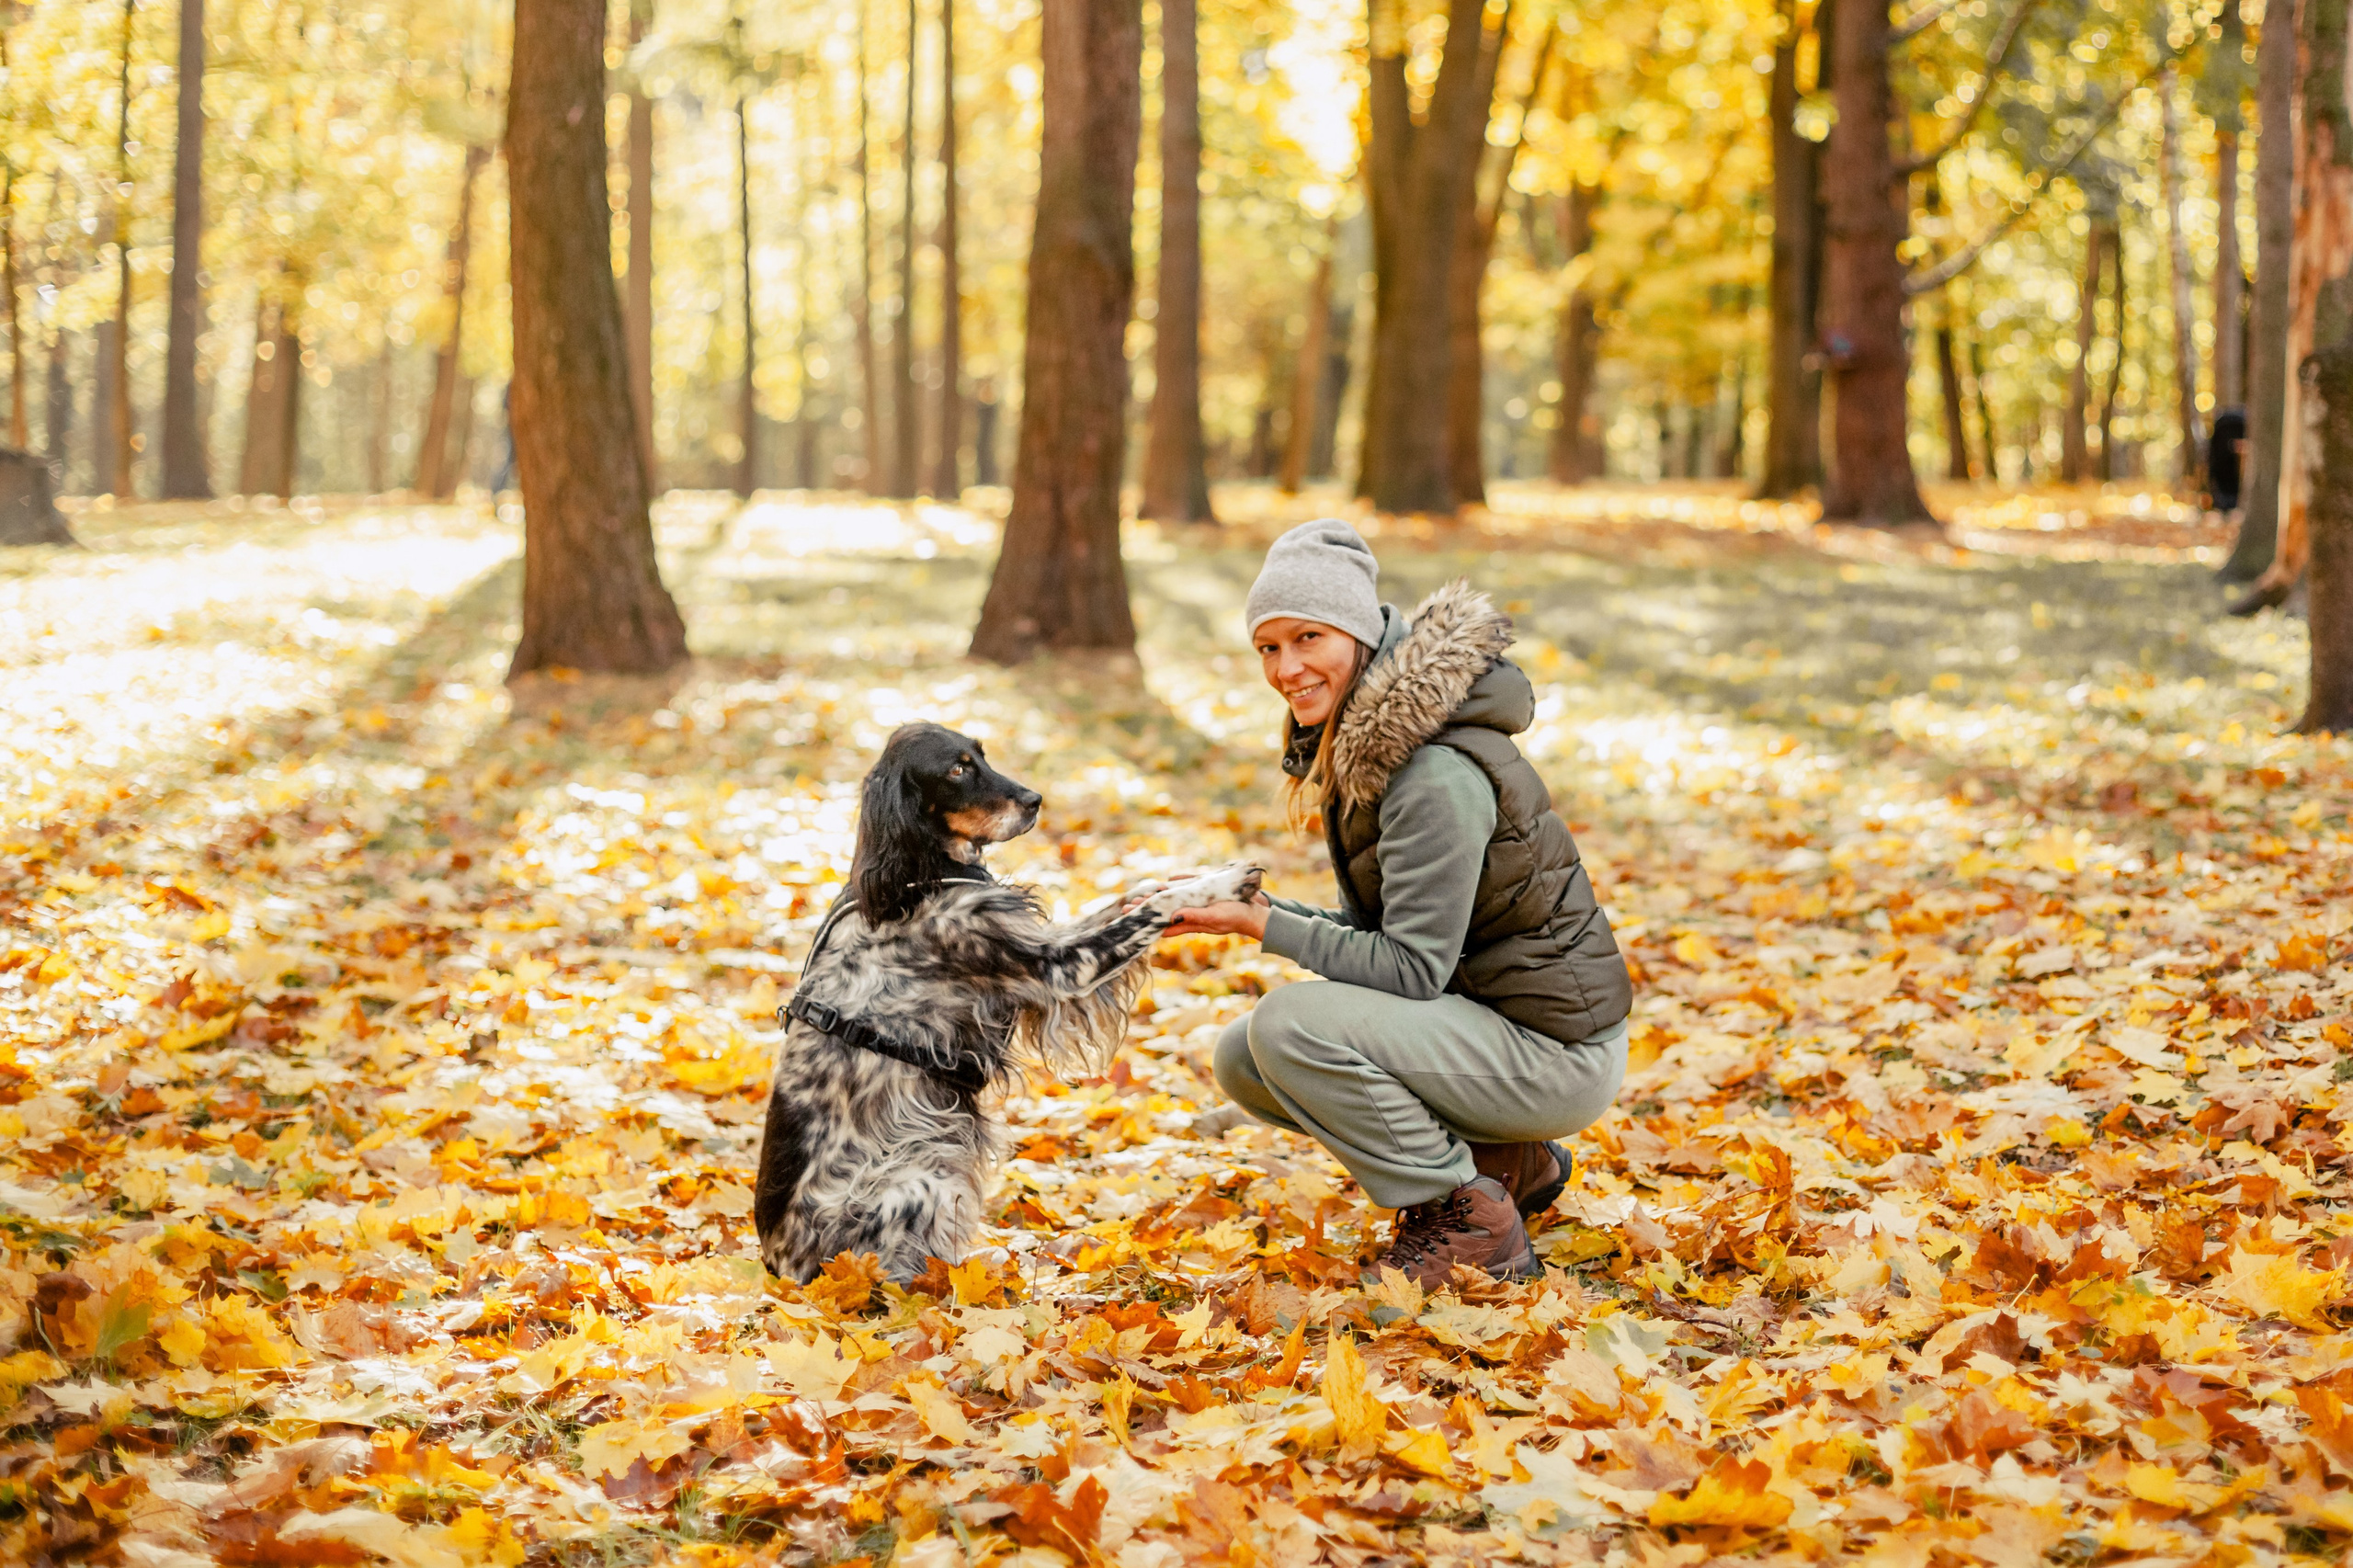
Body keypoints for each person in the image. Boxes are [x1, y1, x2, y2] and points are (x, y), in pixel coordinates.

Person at [1165, 520, 1632, 1288]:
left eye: (1308, 637)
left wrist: (1268, 928)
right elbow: (1405, 936)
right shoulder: (1377, 742)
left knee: (1288, 1027)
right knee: (1245, 1056)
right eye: (1269, 647)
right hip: (1489, 1023)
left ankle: (1472, 1219)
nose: (1287, 668)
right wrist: (1258, 909)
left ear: (1357, 630)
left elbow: (1411, 969)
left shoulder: (1431, 773)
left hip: (1554, 1057)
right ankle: (1506, 1161)